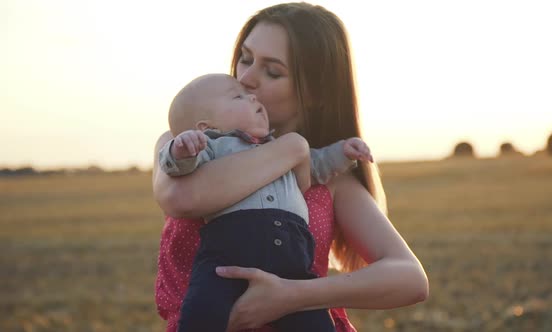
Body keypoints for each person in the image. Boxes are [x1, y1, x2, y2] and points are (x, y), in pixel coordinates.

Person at [152, 3, 429, 332]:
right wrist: (291, 149)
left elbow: (410, 278)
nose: (246, 78)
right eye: (245, 58)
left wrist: (293, 296)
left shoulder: (332, 178)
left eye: (272, 71)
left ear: (313, 93)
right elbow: (181, 198)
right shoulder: (186, 144)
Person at [159, 73, 372, 332]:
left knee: (315, 323)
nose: (252, 96)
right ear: (206, 127)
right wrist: (181, 149)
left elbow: (317, 165)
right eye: (238, 96)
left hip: (292, 262)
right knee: (202, 310)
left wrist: (343, 152)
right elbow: (180, 169)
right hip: (226, 257)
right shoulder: (215, 147)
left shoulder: (285, 148)